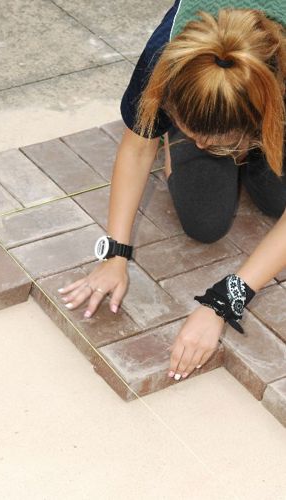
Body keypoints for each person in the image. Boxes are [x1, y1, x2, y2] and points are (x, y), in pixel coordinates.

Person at [59, 2, 286, 382]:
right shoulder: (165, 54)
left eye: (214, 141)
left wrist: (225, 301)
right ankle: (198, 140)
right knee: (205, 222)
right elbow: (136, 147)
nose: (200, 145)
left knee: (276, 200)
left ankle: (253, 153)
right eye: (191, 131)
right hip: (230, 102)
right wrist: (116, 252)